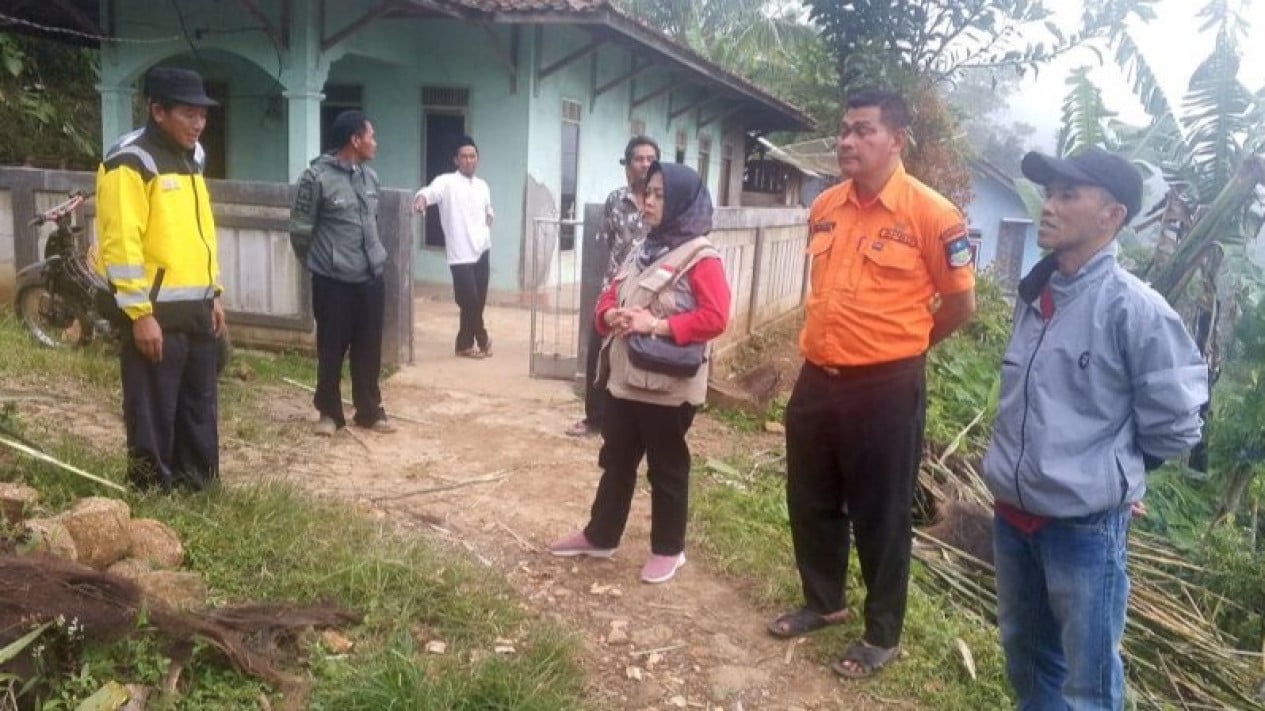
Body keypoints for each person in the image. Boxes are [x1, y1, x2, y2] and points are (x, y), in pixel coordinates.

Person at [982, 148, 1208, 709]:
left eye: (1067, 195)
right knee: (1027, 657)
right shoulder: (1037, 294)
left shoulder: (1135, 309)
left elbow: (1177, 425)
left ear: (1112, 216)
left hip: (1083, 530)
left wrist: (1115, 472)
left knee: (1089, 682)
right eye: (1049, 193)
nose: (1049, 207)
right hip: (1014, 519)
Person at [769, 87, 977, 678]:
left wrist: (904, 347)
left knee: (881, 513)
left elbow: (960, 304)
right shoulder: (826, 205)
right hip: (818, 378)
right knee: (809, 497)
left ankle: (881, 633)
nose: (847, 141)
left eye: (863, 130)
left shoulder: (932, 215)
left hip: (885, 388)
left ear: (896, 139)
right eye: (843, 130)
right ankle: (823, 601)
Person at [548, 162, 731, 584]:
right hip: (624, 379)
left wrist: (657, 325)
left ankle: (669, 549)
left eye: (660, 195)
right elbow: (610, 292)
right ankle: (601, 535)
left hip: (667, 388)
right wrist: (610, 312)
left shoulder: (700, 256)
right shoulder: (643, 247)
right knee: (616, 461)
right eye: (648, 192)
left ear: (682, 201)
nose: (648, 201)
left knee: (667, 468)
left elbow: (717, 317)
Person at [94, 66, 227, 491]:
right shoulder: (129, 160)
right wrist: (138, 313)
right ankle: (151, 492)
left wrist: (214, 294)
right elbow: (121, 243)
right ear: (158, 111)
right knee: (152, 409)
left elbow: (200, 230)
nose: (198, 123)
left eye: (202, 115)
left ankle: (198, 488)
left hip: (197, 307)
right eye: (188, 114)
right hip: (154, 312)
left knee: (198, 406)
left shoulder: (195, 156)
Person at [289, 110, 395, 436]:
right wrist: (320, 264)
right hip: (333, 281)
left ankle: (369, 410)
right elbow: (300, 231)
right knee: (331, 349)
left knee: (368, 348)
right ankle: (330, 414)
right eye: (370, 136)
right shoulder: (316, 179)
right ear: (355, 140)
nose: (374, 143)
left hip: (370, 277)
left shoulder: (369, 178)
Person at [566, 135, 659, 437]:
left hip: (649, 294)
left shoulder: (661, 203)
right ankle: (595, 418)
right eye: (638, 158)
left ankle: (637, 425)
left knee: (641, 356)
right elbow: (610, 241)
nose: (645, 164)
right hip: (613, 291)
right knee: (598, 354)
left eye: (650, 158)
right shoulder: (615, 201)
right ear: (628, 165)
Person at [412, 136, 495, 358]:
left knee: (479, 301)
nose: (468, 160)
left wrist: (489, 218)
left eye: (472, 156)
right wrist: (421, 200)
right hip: (460, 254)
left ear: (478, 159)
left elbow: (489, 209)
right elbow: (429, 192)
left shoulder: (483, 186)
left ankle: (464, 344)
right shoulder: (446, 182)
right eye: (464, 157)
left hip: (482, 249)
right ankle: (483, 338)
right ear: (456, 160)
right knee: (469, 300)